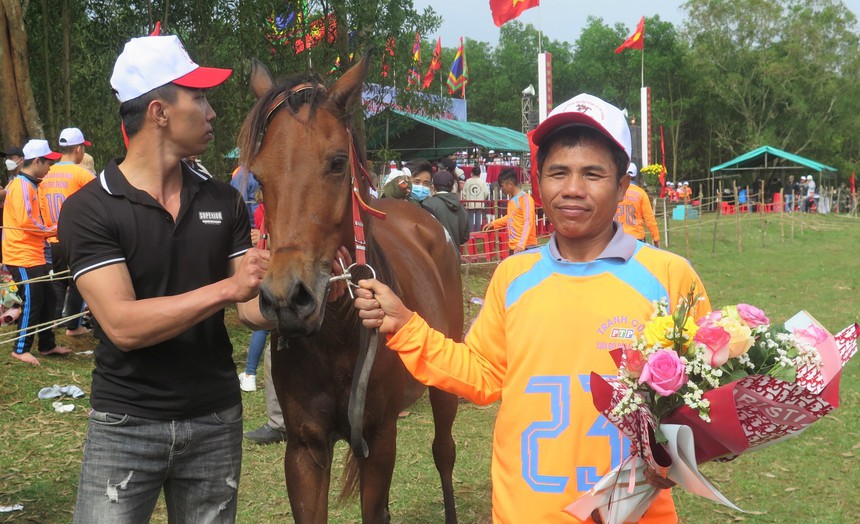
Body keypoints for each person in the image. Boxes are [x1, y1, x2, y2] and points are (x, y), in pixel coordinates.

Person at [354, 93, 711, 523]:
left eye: (592, 174)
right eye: (558, 172)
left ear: (621, 186)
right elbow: (482, 373)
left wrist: (701, 442)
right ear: (539, 183)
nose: (573, 188)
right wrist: (406, 325)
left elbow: (703, 401)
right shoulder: (514, 277)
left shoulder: (670, 277)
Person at [59, 34, 266, 522]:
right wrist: (227, 288)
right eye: (199, 97)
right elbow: (123, 326)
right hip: (124, 425)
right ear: (159, 111)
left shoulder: (224, 200)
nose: (212, 112)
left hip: (215, 420)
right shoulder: (90, 210)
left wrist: (293, 287)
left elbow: (252, 310)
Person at [3, 139, 72, 365]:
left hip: (34, 253)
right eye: (48, 162)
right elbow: (26, 221)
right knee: (33, 300)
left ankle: (47, 344)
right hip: (21, 255)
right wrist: (53, 229)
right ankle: (20, 348)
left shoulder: (32, 184)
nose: (51, 166)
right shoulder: (22, 185)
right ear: (37, 161)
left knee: (49, 297)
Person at [40, 127, 96, 337]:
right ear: (79, 149)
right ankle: (73, 327)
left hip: (52, 239)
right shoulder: (82, 174)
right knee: (79, 281)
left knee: (59, 281)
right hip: (76, 238)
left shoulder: (46, 173)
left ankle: (53, 322)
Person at [482, 168, 537, 254]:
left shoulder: (525, 199)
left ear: (510, 184)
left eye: (502, 186)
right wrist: (494, 224)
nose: (502, 189)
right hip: (514, 246)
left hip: (526, 247)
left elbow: (528, 221)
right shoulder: (512, 200)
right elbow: (511, 217)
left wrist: (521, 244)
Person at [615, 162, 660, 247]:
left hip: (616, 237)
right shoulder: (641, 193)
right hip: (636, 238)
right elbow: (650, 219)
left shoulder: (614, 191)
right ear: (635, 176)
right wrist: (656, 238)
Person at [420, 169, 469, 247]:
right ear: (452, 188)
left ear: (433, 187)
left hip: (434, 255)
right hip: (454, 254)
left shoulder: (427, 204)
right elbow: (465, 237)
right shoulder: (462, 209)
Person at [462, 165, 489, 232]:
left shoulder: (468, 181)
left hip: (470, 200)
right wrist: (483, 198)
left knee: (470, 215)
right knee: (478, 215)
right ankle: (478, 230)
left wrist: (466, 199)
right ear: (480, 174)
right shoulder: (482, 181)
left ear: (472, 173)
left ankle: (470, 231)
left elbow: (464, 192)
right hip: (479, 200)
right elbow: (486, 192)